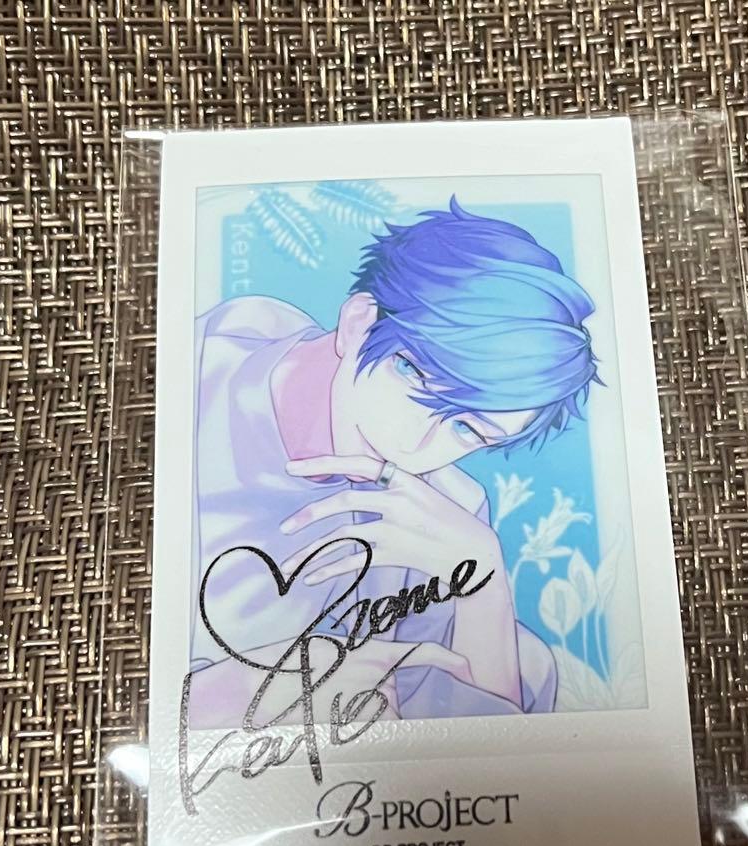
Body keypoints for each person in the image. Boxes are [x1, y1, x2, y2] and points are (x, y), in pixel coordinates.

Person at [187, 197, 599, 729]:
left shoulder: (436, 510)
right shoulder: (197, 380)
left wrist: (484, 578)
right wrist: (252, 689)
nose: (412, 443)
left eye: (469, 430)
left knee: (530, 661)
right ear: (359, 321)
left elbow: (475, 748)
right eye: (414, 376)